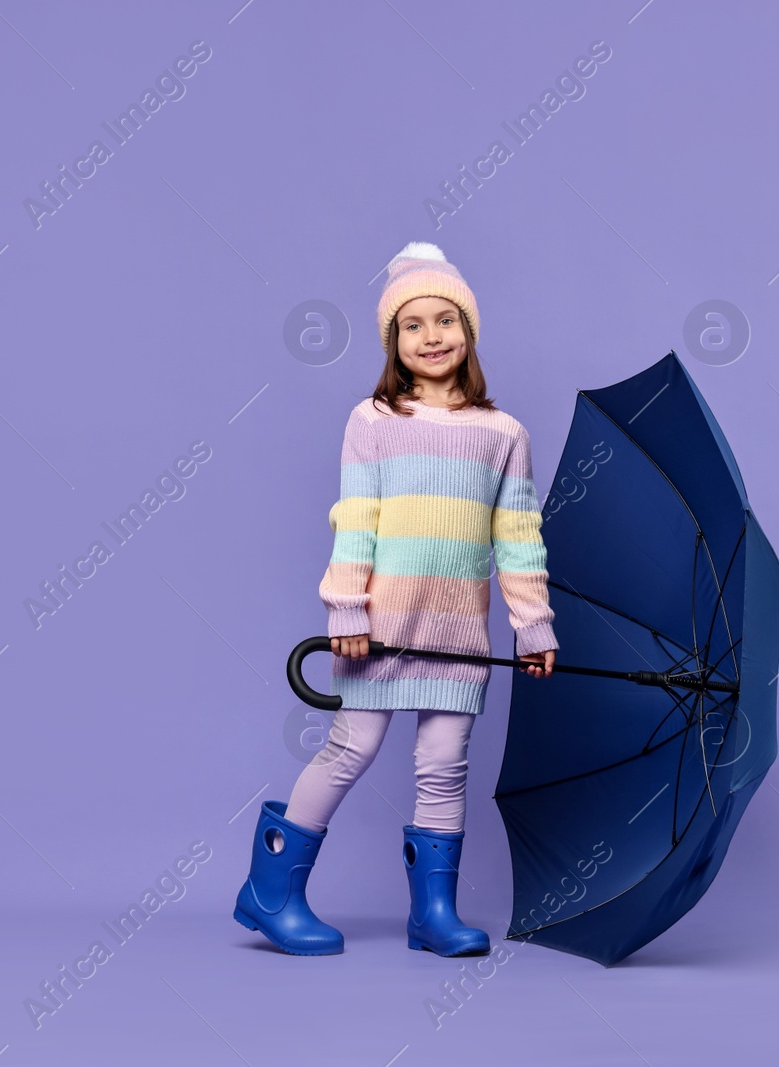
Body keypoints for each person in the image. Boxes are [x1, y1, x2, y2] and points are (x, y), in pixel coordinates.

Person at [233, 241, 559, 957]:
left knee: (445, 767)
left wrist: (533, 629)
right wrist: (345, 610)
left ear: (469, 333)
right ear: (394, 341)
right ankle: (270, 891)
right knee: (351, 748)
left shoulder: (504, 434)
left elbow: (519, 538)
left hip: (458, 637)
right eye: (414, 324)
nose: (433, 335)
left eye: (447, 320)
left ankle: (432, 914)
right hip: (379, 630)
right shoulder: (373, 421)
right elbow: (357, 520)